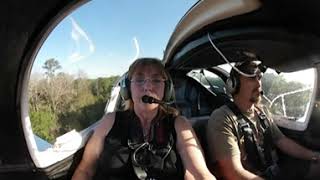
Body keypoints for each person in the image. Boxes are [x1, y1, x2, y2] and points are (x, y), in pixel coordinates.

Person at [72, 58, 215, 180]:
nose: (147, 86)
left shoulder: (179, 124)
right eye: (139, 80)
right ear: (127, 89)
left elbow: (199, 173)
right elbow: (85, 170)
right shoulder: (110, 121)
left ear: (167, 90)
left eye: (156, 80)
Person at [206, 52, 320, 180]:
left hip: (274, 172)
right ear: (234, 84)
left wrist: (314, 155)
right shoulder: (222, 118)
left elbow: (282, 141)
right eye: (251, 78)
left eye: (259, 78)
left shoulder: (262, 111)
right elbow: (232, 172)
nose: (259, 84)